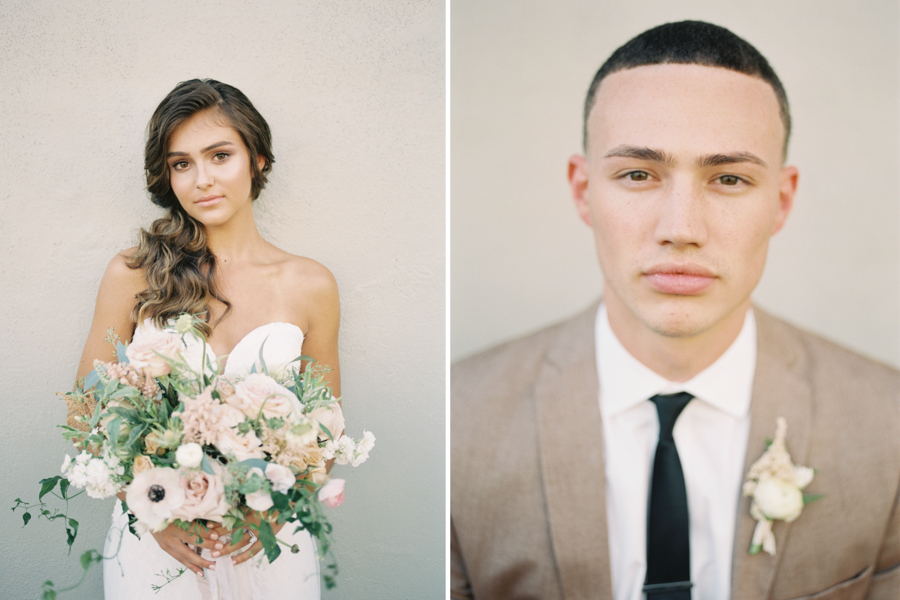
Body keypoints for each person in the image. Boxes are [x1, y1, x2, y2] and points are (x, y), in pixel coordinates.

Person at [451, 21, 900, 600]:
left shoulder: (888, 423)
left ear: (781, 202)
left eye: (730, 178)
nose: (681, 229)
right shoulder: (460, 422)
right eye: (638, 174)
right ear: (583, 189)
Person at [75, 79, 340, 598]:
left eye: (220, 156)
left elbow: (325, 428)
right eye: (181, 163)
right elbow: (85, 412)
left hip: (267, 542)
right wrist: (150, 507)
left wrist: (269, 511)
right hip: (158, 546)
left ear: (257, 160)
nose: (202, 180)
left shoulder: (311, 284)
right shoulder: (133, 275)